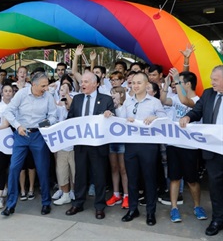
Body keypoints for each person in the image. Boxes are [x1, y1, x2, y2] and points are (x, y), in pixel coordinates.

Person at [2, 71, 57, 216]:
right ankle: (10, 205)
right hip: (21, 134)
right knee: (14, 168)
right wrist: (17, 125)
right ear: (33, 85)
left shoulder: (49, 97)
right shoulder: (21, 94)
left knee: (42, 169)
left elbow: (53, 116)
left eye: (46, 85)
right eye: (43, 86)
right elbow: (8, 112)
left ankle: (46, 203)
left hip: (39, 135)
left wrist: (42, 124)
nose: (46, 88)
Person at [117, 72, 166, 226]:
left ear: (146, 84)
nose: (135, 86)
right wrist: (125, 120)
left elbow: (166, 120)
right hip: (131, 145)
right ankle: (133, 209)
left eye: (139, 83)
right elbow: (120, 121)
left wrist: (155, 118)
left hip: (149, 146)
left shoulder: (154, 102)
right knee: (132, 179)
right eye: (133, 83)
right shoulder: (128, 102)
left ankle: (151, 212)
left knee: (149, 179)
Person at [179, 65, 223, 236]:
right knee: (215, 186)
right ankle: (218, 219)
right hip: (213, 150)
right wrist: (188, 117)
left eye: (216, 79)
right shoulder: (208, 93)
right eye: (212, 79)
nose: (212, 82)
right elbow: (197, 111)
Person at [66, 71, 115, 220]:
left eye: (86, 82)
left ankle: (99, 206)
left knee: (99, 175)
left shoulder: (106, 100)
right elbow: (70, 119)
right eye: (82, 82)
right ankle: (78, 203)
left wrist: (109, 114)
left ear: (95, 84)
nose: (82, 84)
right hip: (81, 144)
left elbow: (113, 119)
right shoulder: (77, 99)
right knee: (80, 174)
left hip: (98, 145)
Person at [160, 69, 207, 223]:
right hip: (174, 144)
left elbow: (186, 101)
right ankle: (174, 208)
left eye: (179, 82)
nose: (176, 84)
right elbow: (163, 100)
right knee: (174, 178)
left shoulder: (199, 100)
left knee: (191, 180)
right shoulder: (175, 97)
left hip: (190, 147)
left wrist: (176, 79)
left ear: (187, 84)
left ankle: (197, 206)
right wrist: (166, 85)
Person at [106, 87, 129, 209]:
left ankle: (126, 195)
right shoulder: (109, 108)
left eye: (115, 94)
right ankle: (116, 194)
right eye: (111, 94)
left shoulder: (125, 107)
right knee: (114, 168)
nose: (113, 96)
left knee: (123, 169)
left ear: (121, 94)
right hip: (111, 141)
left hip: (123, 142)